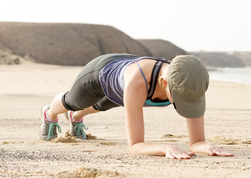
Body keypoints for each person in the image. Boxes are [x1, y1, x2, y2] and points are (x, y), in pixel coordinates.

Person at [39, 53, 233, 159]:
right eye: (181, 99)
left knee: (105, 105)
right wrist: (164, 148)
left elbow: (196, 142)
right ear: (165, 84)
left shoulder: (192, 82)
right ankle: (49, 113)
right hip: (99, 73)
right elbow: (135, 146)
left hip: (124, 82)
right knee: (74, 102)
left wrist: (204, 145)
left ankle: (76, 118)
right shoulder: (137, 85)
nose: (186, 103)